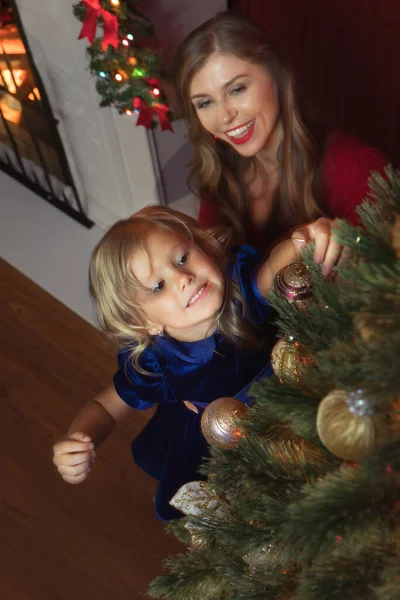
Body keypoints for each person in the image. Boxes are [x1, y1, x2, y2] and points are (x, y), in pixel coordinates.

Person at [52, 206, 341, 520]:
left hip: (293, 391)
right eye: (158, 286)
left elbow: (274, 268)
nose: (183, 278)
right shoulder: (156, 363)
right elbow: (106, 407)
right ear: (143, 323)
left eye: (182, 258)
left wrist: (304, 240)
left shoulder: (238, 287)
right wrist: (79, 439)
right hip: (228, 437)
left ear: (201, 247)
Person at [172, 11, 388, 258]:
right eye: (205, 103)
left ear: (277, 75)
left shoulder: (353, 166)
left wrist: (352, 242)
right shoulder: (219, 175)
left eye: (237, 89)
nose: (224, 116)